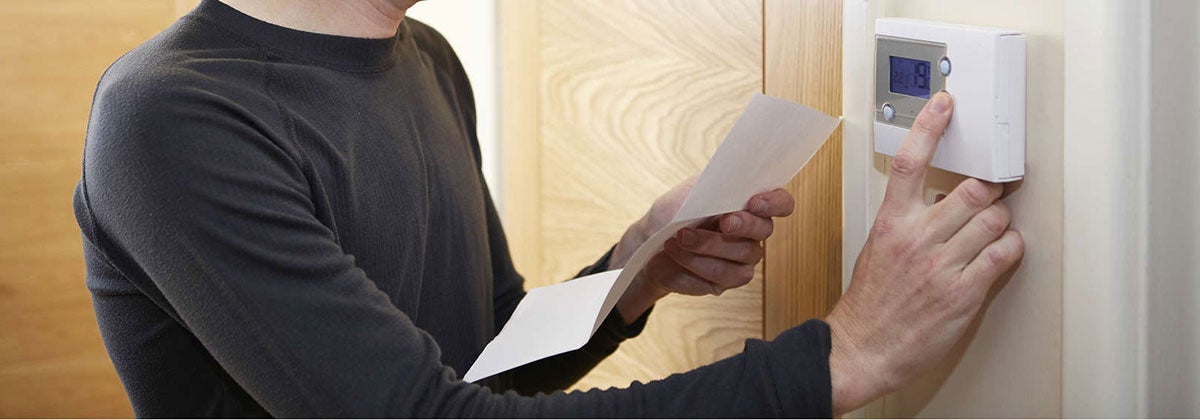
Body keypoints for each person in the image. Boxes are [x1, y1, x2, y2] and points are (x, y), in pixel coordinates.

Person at [73, 0, 1024, 417]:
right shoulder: (171, 116)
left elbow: (483, 362)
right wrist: (843, 358)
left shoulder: (428, 58)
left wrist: (632, 272)